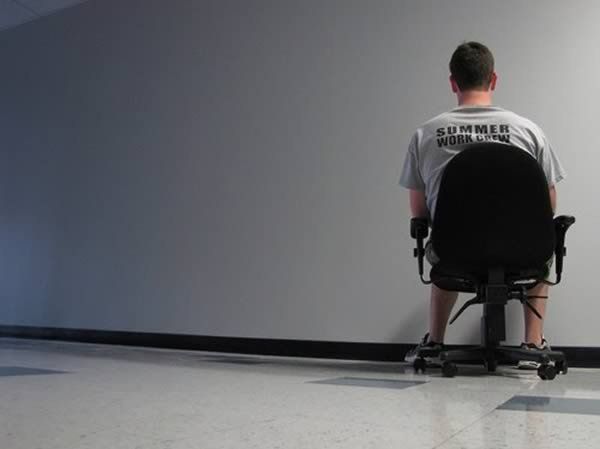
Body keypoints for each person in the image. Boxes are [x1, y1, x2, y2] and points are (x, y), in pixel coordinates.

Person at [399, 41, 567, 369]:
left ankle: (435, 343)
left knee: (443, 244)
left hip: (454, 253)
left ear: (453, 83)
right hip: (524, 253)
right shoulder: (529, 131)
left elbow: (420, 213)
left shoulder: (426, 134)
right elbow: (547, 205)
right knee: (544, 245)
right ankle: (533, 345)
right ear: (493, 79)